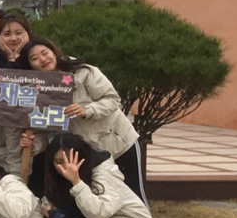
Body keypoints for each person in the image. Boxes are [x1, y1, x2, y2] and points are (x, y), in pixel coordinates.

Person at [21, 37, 147, 205]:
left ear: (54, 51)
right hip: (89, 153)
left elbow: (112, 99)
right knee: (103, 197)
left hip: (119, 142)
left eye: (45, 53)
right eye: (34, 58)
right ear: (30, 66)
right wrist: (34, 144)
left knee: (135, 193)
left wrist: (87, 110)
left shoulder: (83, 72)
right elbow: (46, 132)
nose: (43, 59)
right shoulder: (39, 90)